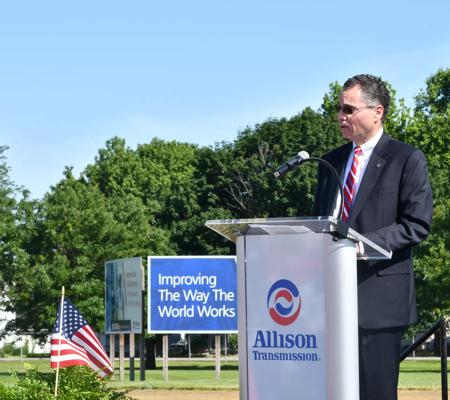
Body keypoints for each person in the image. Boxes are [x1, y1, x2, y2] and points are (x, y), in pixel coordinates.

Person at [313, 74, 433, 400]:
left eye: (349, 109)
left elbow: (416, 224)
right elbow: (321, 222)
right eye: (339, 108)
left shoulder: (406, 159)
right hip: (329, 304)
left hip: (378, 303)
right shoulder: (330, 162)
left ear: (377, 111)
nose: (341, 116)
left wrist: (359, 245)